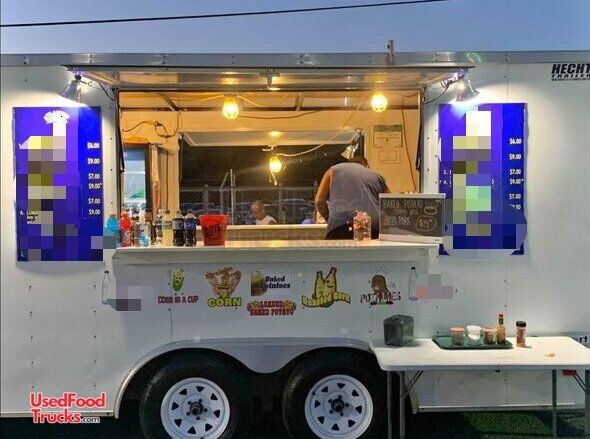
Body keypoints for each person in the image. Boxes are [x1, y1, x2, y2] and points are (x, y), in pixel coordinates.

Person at [315, 156, 390, 239]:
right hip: (372, 226)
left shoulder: (333, 170)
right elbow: (389, 205)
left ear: (348, 164)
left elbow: (319, 201)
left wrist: (330, 219)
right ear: (366, 166)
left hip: (340, 225)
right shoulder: (377, 176)